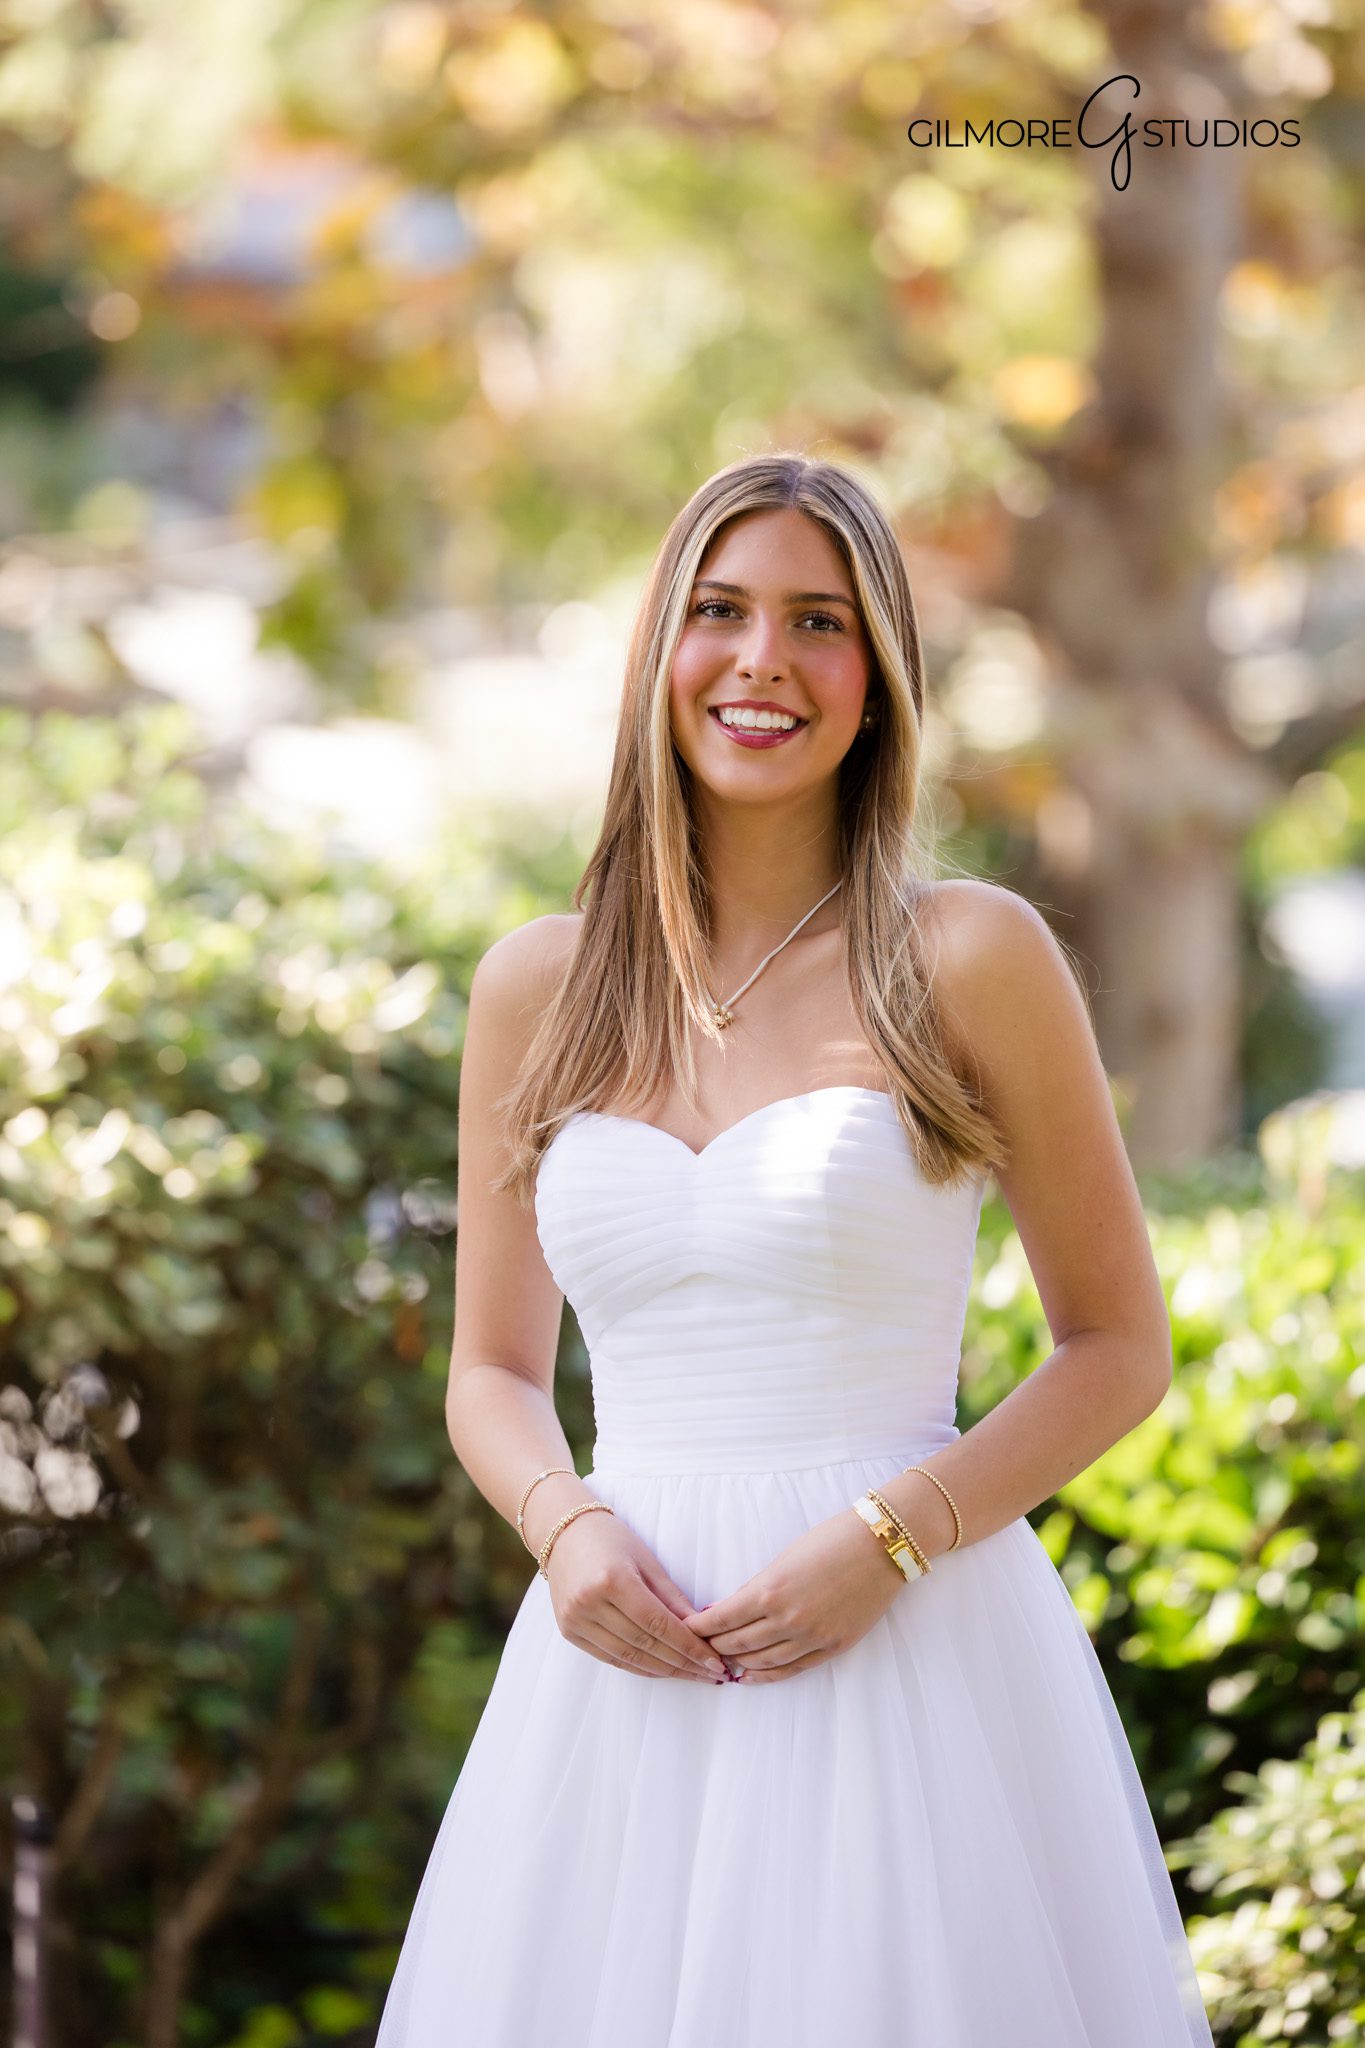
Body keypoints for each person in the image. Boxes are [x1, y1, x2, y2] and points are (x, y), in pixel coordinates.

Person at [373, 452, 1216, 2046]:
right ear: (659, 657)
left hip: (909, 1648)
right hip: (623, 1665)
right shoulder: (537, 987)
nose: (762, 659)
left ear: (878, 679)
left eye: (817, 621)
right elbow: (491, 1367)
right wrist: (566, 1532)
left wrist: (889, 1539)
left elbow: (1115, 1347)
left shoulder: (969, 955)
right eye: (721, 611)